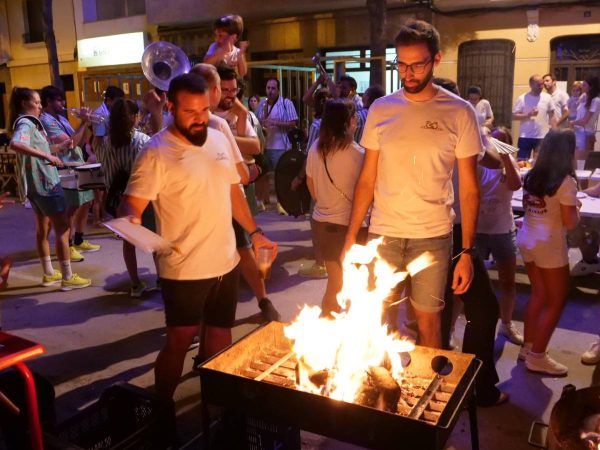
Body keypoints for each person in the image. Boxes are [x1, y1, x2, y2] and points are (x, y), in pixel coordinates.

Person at [118, 73, 277, 401]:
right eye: (190, 112)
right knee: (179, 339)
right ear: (171, 106)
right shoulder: (156, 152)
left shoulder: (218, 138)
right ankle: (162, 405)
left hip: (226, 262)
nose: (199, 118)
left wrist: (255, 232)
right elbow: (130, 204)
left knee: (221, 334)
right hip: (184, 268)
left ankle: (217, 402)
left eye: (204, 110)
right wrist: (131, 220)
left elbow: (233, 190)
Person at [344, 20, 481, 348]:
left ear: (435, 60)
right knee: (376, 319)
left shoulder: (459, 112)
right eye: (402, 64)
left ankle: (428, 391)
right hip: (384, 233)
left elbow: (470, 189)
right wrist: (352, 235)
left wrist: (466, 251)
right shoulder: (381, 109)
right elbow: (367, 179)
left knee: (429, 325)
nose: (408, 73)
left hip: (432, 237)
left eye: (417, 64)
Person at [214, 66, 280, 323]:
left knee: (244, 248)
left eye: (234, 90)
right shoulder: (201, 113)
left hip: (234, 192)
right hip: (205, 196)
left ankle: (263, 299)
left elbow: (255, 148)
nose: (230, 95)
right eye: (225, 89)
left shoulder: (243, 114)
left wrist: (225, 134)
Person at [9, 87, 91, 291]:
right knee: (62, 229)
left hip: (34, 185)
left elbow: (39, 148)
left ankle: (48, 273)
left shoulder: (27, 123)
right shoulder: (26, 123)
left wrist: (58, 149)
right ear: (23, 104)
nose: (38, 107)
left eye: (39, 103)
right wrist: (47, 157)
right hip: (45, 183)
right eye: (35, 103)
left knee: (42, 229)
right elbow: (16, 144)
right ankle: (67, 276)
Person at [517, 129, 580, 376]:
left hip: (528, 239)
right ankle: (537, 356)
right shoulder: (566, 182)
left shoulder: (532, 176)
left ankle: (528, 347)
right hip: (550, 245)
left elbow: (530, 207)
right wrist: (575, 207)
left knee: (538, 294)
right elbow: (570, 222)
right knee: (556, 300)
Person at [306, 99, 366, 316]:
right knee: (358, 285)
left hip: (322, 223)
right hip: (351, 227)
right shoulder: (357, 154)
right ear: (349, 122)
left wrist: (325, 202)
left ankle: (327, 325)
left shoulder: (315, 149)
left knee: (334, 281)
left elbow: (310, 184)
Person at [96, 98, 155, 298]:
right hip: (143, 199)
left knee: (128, 243)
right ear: (133, 117)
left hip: (118, 200)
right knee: (154, 238)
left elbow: (104, 169)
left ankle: (135, 284)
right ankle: (163, 279)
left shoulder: (106, 142)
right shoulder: (142, 141)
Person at [39, 85, 101, 263]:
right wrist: (83, 122)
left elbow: (77, 140)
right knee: (70, 208)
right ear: (48, 102)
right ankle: (69, 244)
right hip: (65, 168)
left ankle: (79, 239)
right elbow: (70, 143)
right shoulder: (46, 120)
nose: (63, 103)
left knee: (85, 201)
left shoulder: (61, 118)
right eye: (59, 100)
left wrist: (85, 123)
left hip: (77, 164)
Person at [476, 127, 523, 345]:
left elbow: (515, 184)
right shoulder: (479, 162)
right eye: (493, 139)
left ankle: (506, 324)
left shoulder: (509, 165)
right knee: (469, 283)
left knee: (508, 281)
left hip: (503, 229)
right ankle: (467, 325)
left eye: (502, 141)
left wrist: (506, 155)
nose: (495, 143)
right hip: (478, 230)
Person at [257, 78, 298, 213]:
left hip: (280, 146)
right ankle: (262, 200)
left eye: (273, 88)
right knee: (262, 175)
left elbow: (293, 123)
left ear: (278, 89)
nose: (270, 91)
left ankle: (282, 203)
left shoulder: (286, 103)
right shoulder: (263, 104)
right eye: (268, 88)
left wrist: (275, 122)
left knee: (280, 177)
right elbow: (259, 121)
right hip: (265, 145)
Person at [513, 74, 556, 160]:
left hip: (542, 136)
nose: (541, 86)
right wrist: (528, 115)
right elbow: (514, 116)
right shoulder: (522, 98)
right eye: (538, 84)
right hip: (525, 136)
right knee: (522, 162)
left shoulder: (547, 97)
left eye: (542, 84)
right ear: (531, 85)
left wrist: (554, 131)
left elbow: (552, 115)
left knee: (541, 162)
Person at [570, 75, 600, 162]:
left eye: (584, 85)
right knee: (573, 161)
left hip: (585, 133)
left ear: (591, 87)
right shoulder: (584, 96)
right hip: (577, 131)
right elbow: (574, 110)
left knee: (580, 163)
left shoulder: (595, 100)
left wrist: (572, 123)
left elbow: (585, 121)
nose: (582, 87)